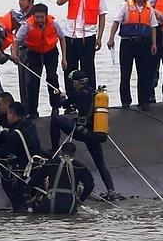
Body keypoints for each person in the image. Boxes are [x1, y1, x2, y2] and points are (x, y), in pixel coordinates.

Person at [50, 70, 120, 200]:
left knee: (56, 120)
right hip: (96, 133)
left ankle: (54, 148)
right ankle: (111, 190)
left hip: (81, 132)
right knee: (100, 164)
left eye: (73, 82)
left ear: (76, 83)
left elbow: (63, 104)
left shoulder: (75, 94)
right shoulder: (96, 94)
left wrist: (62, 96)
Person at [56, 0, 108, 98]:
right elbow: (59, 1)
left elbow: (102, 16)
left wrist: (99, 38)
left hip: (88, 36)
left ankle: (90, 97)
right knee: (70, 69)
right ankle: (71, 99)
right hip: (71, 35)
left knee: (88, 68)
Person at [107, 0, 158, 111]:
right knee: (125, 73)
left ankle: (144, 101)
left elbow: (153, 27)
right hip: (127, 43)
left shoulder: (149, 8)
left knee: (144, 73)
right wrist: (111, 38)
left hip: (144, 44)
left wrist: (154, 43)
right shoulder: (125, 6)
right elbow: (116, 22)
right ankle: (125, 101)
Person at [0, 101, 43, 212]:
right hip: (37, 165)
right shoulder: (29, 124)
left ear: (13, 114)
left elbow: (2, 153)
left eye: (8, 114)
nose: (7, 117)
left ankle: (18, 211)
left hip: (25, 170)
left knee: (14, 193)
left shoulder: (15, 134)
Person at [14, 3, 66, 119]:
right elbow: (17, 40)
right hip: (34, 53)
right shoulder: (27, 25)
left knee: (52, 78)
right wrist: (15, 54)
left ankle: (55, 107)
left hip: (50, 51)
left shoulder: (53, 23)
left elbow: (62, 38)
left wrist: (64, 58)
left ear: (46, 16)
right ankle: (32, 111)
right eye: (37, 17)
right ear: (33, 16)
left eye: (42, 17)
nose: (39, 20)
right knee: (32, 81)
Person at [29, 142, 94, 214]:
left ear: (61, 151)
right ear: (74, 154)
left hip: (51, 200)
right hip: (70, 203)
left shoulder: (50, 164)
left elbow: (34, 181)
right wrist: (81, 200)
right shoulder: (80, 167)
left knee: (34, 210)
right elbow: (90, 185)